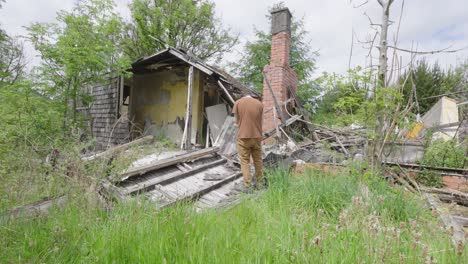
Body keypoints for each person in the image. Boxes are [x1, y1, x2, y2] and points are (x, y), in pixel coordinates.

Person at [232, 91, 264, 191]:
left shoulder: (238, 103)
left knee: (245, 161)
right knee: (258, 160)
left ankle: (247, 184)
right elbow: (261, 122)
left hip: (243, 137)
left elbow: (236, 122)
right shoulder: (260, 104)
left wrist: (238, 124)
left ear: (242, 96)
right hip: (257, 137)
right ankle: (260, 182)